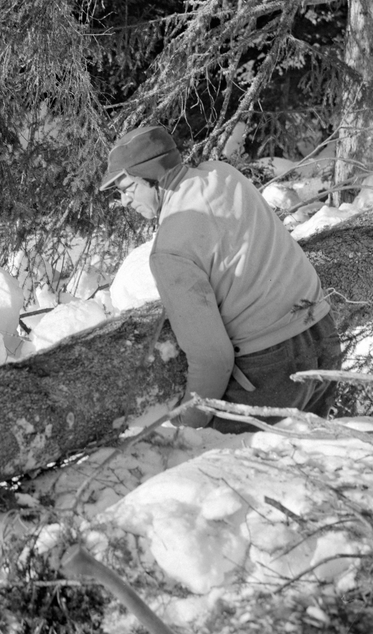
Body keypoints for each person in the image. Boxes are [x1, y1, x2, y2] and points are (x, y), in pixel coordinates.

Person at [101, 125, 341, 432]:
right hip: (324, 336)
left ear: (152, 175)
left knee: (220, 471)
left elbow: (212, 358)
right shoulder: (223, 174)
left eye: (127, 187)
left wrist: (189, 425)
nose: (123, 201)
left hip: (272, 370)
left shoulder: (170, 248)